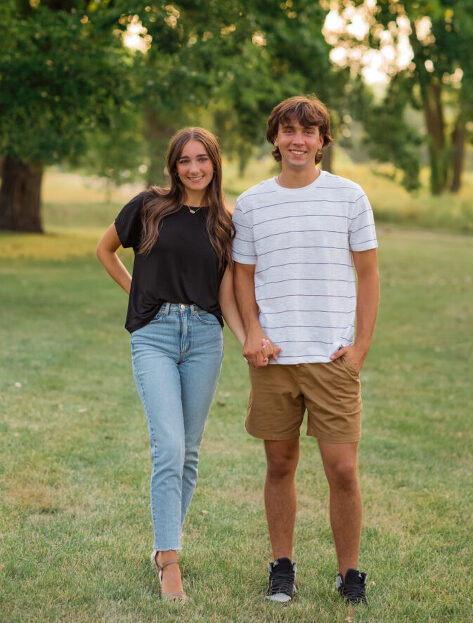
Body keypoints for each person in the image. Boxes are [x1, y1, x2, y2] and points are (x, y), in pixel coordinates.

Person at [97, 127, 275, 602]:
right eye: (184, 161)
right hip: (154, 336)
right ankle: (170, 561)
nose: (194, 168)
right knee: (169, 447)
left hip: (203, 338)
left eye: (202, 159)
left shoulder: (226, 223)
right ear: (173, 166)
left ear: (215, 163)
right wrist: (138, 295)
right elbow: (104, 250)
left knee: (189, 452)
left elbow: (229, 291)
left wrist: (250, 336)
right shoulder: (148, 206)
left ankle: (164, 547)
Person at [233, 95, 380, 606]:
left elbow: (368, 274)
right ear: (275, 139)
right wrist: (253, 332)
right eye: (288, 130)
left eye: (308, 131)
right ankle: (282, 568)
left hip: (332, 357)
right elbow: (242, 276)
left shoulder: (349, 196)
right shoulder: (251, 203)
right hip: (274, 358)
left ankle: (349, 573)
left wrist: (360, 347)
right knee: (279, 465)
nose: (298, 140)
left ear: (322, 141)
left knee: (343, 470)